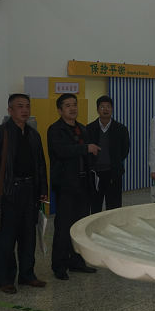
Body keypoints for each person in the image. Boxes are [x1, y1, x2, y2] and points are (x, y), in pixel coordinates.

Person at [0, 93, 48, 294]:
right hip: (9, 191)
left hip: (30, 191)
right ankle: (5, 278)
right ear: (10, 110)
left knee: (28, 235)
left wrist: (43, 189)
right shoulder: (0, 132)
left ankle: (27, 274)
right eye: (20, 106)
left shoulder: (33, 135)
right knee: (6, 238)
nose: (24, 110)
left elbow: (41, 164)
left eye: (27, 106)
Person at [47, 93, 100, 280]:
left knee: (80, 227)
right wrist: (86, 148)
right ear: (60, 110)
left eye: (74, 104)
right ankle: (59, 265)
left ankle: (77, 261)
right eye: (68, 105)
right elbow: (61, 151)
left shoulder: (82, 129)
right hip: (66, 186)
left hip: (83, 185)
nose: (73, 108)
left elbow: (88, 156)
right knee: (63, 227)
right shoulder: (55, 130)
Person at [86, 95, 130, 214]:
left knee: (114, 208)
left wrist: (115, 160)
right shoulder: (89, 128)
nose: (105, 109)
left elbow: (125, 149)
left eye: (108, 107)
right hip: (95, 174)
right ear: (97, 109)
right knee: (95, 207)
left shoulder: (121, 129)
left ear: (112, 109)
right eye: (102, 107)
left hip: (113, 173)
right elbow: (86, 150)